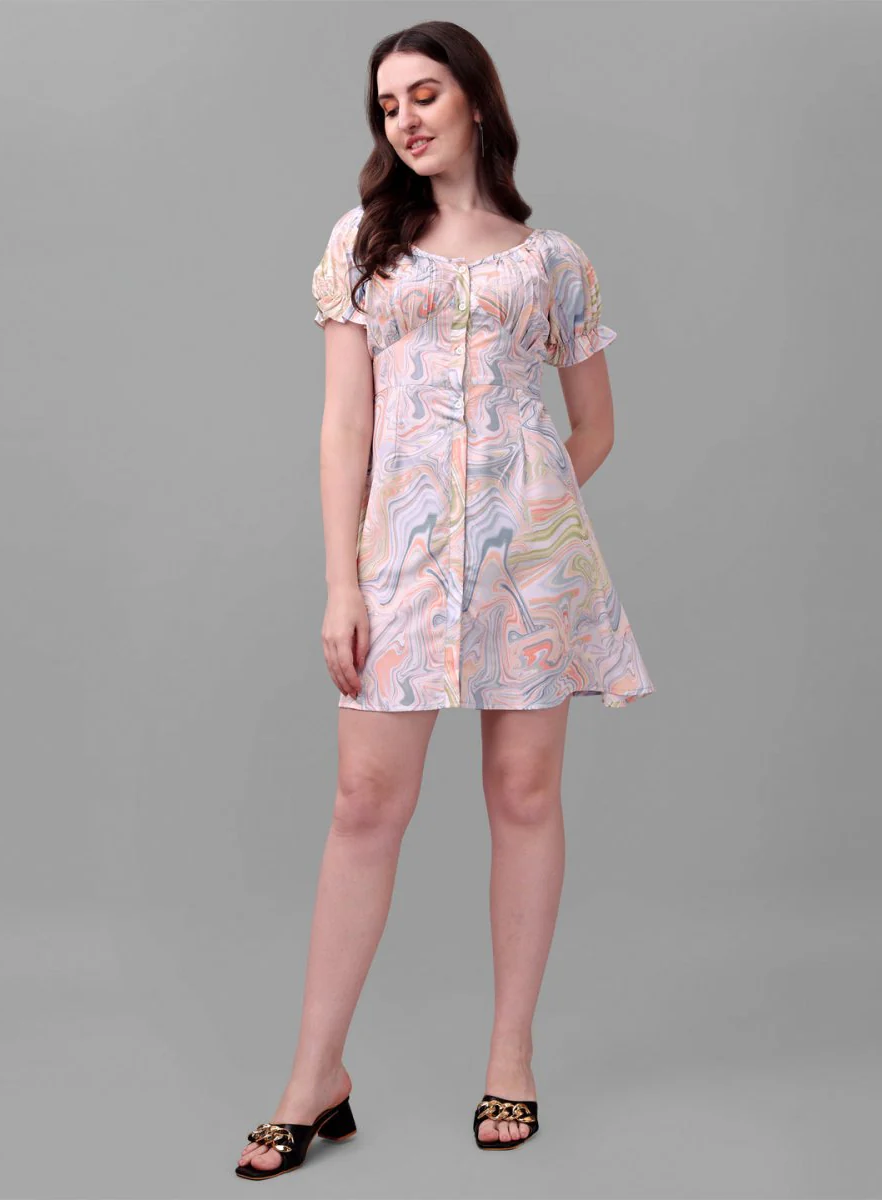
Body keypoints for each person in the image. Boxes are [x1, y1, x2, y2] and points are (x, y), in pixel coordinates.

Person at [236, 19, 654, 1181]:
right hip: (397, 568)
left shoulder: (552, 260)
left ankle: (511, 1057)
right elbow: (345, 425)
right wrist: (343, 581)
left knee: (524, 796)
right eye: (387, 105)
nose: (405, 119)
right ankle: (314, 1075)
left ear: (475, 98)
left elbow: (595, 424)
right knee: (364, 805)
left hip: (531, 570)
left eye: (423, 94)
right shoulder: (363, 245)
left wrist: (528, 514)